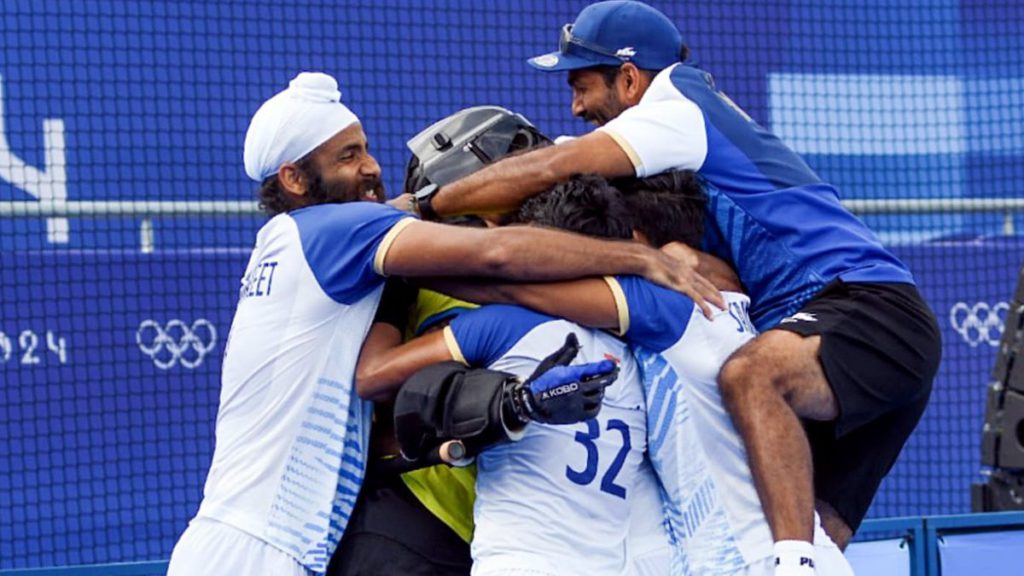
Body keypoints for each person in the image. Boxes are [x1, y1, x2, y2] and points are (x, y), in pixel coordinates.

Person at [411, 2, 942, 573]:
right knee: (805, 523)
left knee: (752, 378)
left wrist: (416, 212)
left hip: (865, 306)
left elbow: (549, 170)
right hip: (847, 334)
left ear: (630, 77)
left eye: (582, 84)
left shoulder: (676, 109)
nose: (576, 105)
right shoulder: (702, 265)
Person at [164, 71, 715, 576]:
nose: (371, 167)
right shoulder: (334, 231)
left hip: (273, 541)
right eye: (348, 156)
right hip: (257, 549)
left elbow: (456, 249)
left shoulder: (307, 244)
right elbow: (496, 257)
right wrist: (638, 260)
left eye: (365, 148)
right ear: (295, 179)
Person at [449, 172, 852, 575]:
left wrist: (401, 245)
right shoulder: (719, 294)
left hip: (759, 561)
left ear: (639, 244)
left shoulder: (664, 306)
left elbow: (509, 284)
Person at [352, 179, 670, 576]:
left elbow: (372, 377)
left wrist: (396, 288)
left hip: (518, 563)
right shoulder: (643, 356)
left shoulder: (503, 324)